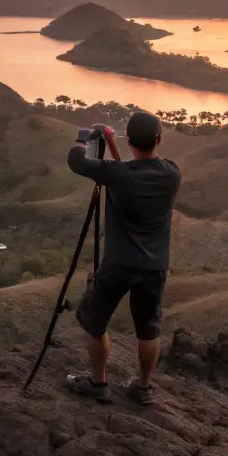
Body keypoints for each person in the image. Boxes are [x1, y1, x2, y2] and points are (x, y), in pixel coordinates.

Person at [62, 111, 180, 406]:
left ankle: (98, 383)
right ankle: (143, 387)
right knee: (148, 329)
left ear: (130, 140)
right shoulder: (172, 173)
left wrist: (85, 136)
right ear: (158, 139)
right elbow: (131, 173)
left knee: (96, 321)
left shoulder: (118, 175)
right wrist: (114, 147)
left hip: (117, 264)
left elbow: (76, 161)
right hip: (153, 267)